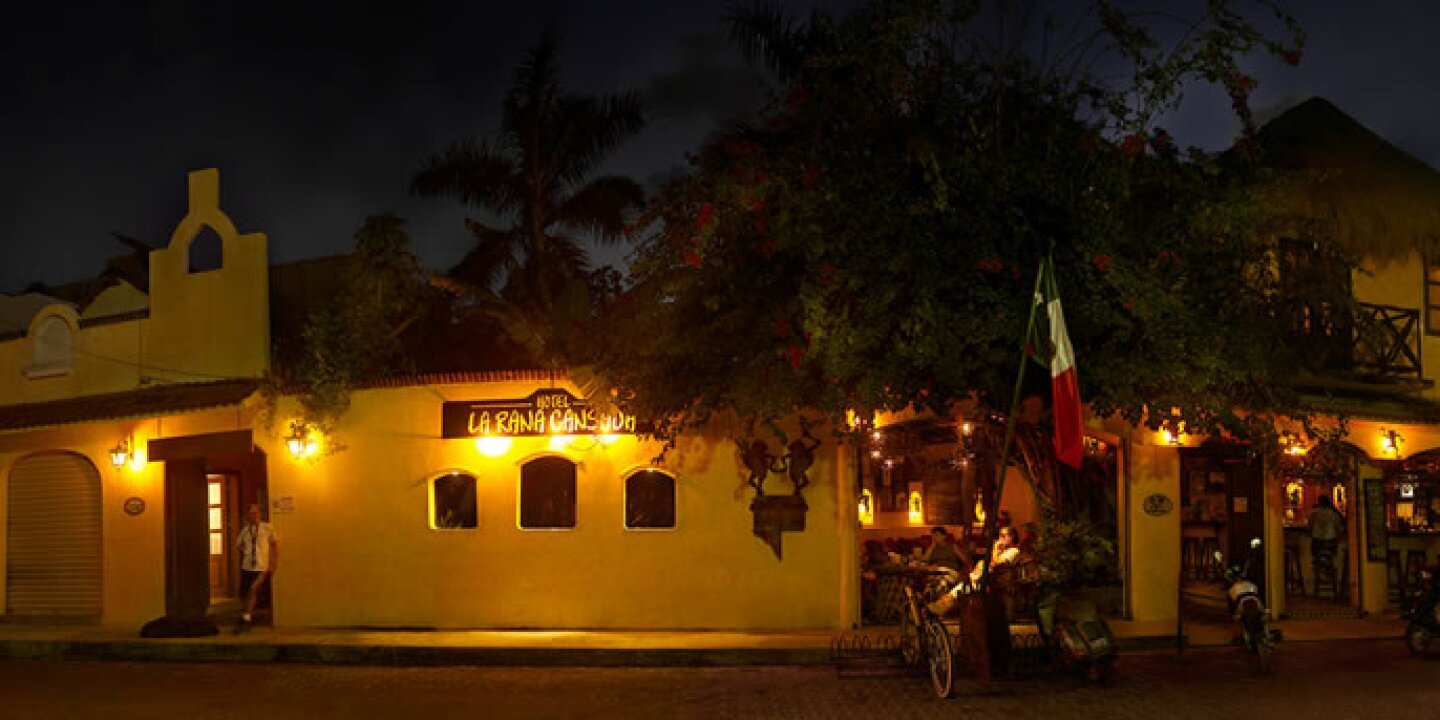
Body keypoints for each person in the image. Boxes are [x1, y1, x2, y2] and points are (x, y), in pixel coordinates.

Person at [235, 503, 278, 633]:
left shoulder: (267, 528)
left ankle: (247, 618)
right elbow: (238, 545)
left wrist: (273, 563)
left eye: (255, 513)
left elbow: (275, 544)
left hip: (261, 566)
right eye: (251, 513)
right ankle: (246, 616)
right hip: (247, 565)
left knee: (253, 589)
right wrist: (246, 552)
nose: (253, 516)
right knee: (245, 592)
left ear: (259, 514)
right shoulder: (245, 530)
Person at [1308, 493, 1344, 568]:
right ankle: (1327, 564)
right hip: (1331, 544)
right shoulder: (1334, 514)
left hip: (1317, 543)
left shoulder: (1314, 514)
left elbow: (1309, 527)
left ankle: (1320, 564)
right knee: (1331, 554)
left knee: (1316, 553)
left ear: (1319, 502)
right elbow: (1339, 529)